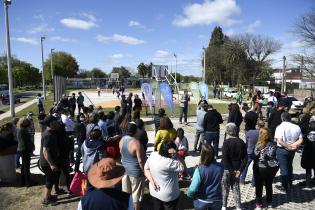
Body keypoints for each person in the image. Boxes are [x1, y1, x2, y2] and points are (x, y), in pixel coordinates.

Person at [144, 141, 185, 210]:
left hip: (154, 191)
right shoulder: (171, 163)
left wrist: (152, 181)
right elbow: (183, 167)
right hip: (168, 196)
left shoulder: (153, 154)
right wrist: (177, 154)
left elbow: (146, 169)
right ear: (171, 152)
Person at [187, 144, 224, 210]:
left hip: (202, 200)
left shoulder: (199, 169)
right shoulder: (221, 166)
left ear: (202, 155)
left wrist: (189, 195)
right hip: (217, 199)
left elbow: (192, 189)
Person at [275, 112, 303, 192]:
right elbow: (300, 139)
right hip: (293, 150)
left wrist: (287, 146)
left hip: (282, 149)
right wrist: (293, 145)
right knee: (289, 166)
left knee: (284, 169)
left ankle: (285, 187)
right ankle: (289, 184)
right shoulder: (296, 126)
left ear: (282, 118)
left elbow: (279, 140)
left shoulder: (279, 127)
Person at [221, 123, 247, 210]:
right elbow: (245, 158)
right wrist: (240, 170)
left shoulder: (226, 143)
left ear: (227, 132)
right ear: (236, 131)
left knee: (225, 188)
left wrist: (231, 170)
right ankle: (238, 207)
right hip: (237, 169)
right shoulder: (241, 142)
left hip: (227, 169)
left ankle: (224, 206)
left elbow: (224, 158)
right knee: (236, 187)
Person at [120, 123, 145, 210]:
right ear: (135, 131)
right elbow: (140, 160)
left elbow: (121, 154)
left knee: (126, 195)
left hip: (125, 171)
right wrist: (144, 171)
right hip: (135, 173)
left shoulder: (122, 140)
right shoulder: (136, 143)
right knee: (136, 196)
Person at [252, 128, 279, 210]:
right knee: (268, 184)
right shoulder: (273, 144)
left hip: (260, 168)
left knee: (259, 186)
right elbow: (274, 156)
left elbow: (255, 156)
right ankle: (269, 202)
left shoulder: (258, 145)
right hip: (270, 168)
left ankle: (258, 204)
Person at [40, 115, 60, 206]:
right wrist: (51, 164)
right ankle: (46, 199)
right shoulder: (48, 135)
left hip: (50, 161)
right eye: (56, 121)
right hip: (47, 163)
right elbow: (45, 151)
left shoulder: (51, 132)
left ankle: (49, 195)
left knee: (50, 180)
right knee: (49, 180)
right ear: (51, 123)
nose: (58, 123)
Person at [240, 119, 259, 185]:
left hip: (249, 151)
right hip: (257, 152)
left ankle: (242, 180)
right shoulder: (261, 133)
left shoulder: (249, 132)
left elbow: (247, 141)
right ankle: (253, 182)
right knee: (256, 167)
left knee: (246, 166)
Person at [17, 117, 34, 187]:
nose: (28, 123)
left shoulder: (19, 129)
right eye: (27, 122)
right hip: (25, 149)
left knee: (23, 166)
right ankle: (28, 182)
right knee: (26, 167)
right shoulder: (23, 130)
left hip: (21, 149)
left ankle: (23, 181)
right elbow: (27, 141)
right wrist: (32, 147)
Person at [301, 121, 315, 187]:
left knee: (308, 169)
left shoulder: (307, 135)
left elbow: (302, 142)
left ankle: (308, 184)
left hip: (308, 154)